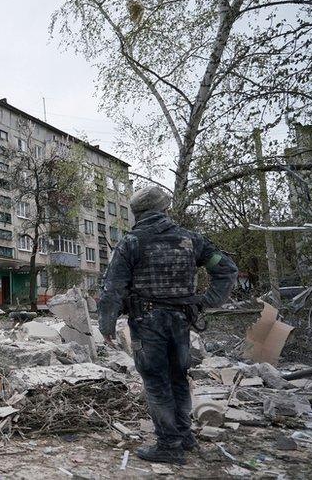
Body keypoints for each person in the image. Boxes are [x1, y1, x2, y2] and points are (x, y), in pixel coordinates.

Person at [99, 186, 238, 465]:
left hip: (146, 322)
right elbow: (226, 269)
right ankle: (184, 437)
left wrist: (107, 323)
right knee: (178, 378)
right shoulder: (191, 240)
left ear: (137, 213)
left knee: (156, 382)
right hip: (180, 322)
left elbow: (112, 287)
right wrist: (205, 301)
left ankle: (169, 445)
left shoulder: (131, 242)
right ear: (164, 209)